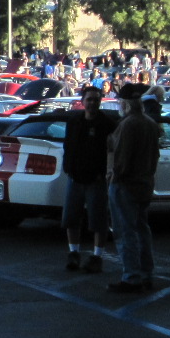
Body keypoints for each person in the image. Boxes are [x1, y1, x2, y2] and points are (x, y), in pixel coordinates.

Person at [106, 82, 160, 293]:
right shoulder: (150, 123)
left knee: (125, 231)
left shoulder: (128, 125)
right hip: (145, 182)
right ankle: (146, 273)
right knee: (141, 229)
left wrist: (115, 176)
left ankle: (131, 276)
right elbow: (155, 155)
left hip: (126, 184)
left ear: (125, 103)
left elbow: (122, 156)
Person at [61, 85, 113, 273]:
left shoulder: (107, 124)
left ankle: (97, 256)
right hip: (75, 177)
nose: (92, 103)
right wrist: (68, 167)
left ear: (100, 102)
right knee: (71, 218)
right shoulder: (74, 122)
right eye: (89, 99)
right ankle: (73, 253)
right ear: (82, 101)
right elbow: (67, 146)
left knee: (98, 220)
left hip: (96, 180)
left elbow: (111, 151)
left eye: (96, 100)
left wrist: (104, 173)